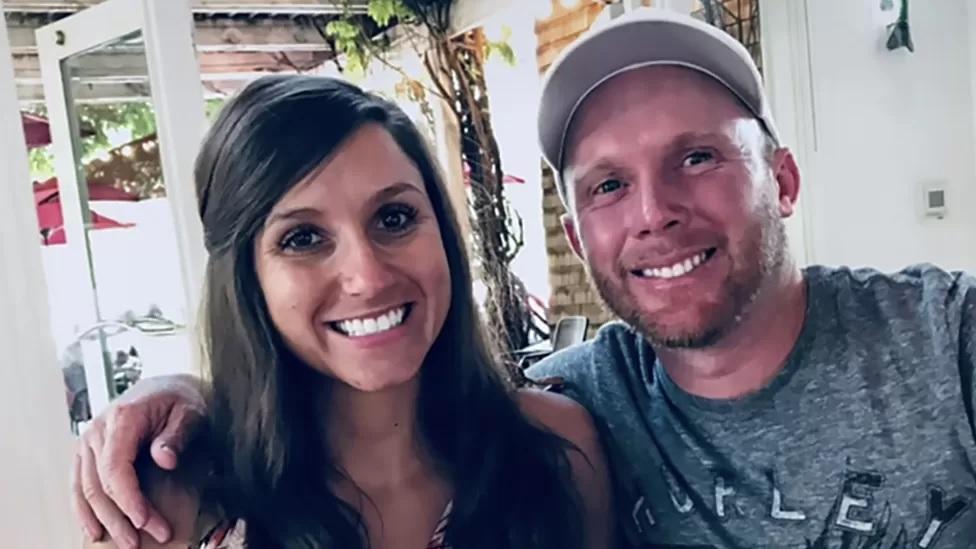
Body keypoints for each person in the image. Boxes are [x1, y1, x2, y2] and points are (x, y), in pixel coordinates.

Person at [71, 7, 976, 548]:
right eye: (608, 185)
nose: (655, 212)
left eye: (698, 157)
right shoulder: (183, 498)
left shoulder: (944, 337)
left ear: (783, 180)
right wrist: (179, 395)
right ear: (576, 237)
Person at [73, 74, 611, 549]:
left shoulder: (555, 450)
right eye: (303, 238)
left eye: (394, 218)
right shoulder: (172, 501)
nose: (368, 276)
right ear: (246, 278)